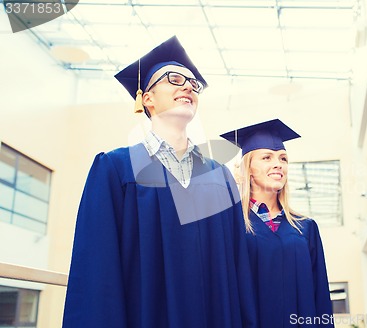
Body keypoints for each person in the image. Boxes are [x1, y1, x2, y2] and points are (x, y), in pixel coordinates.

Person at [62, 36, 256, 328]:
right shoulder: (116, 168)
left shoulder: (219, 176)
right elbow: (96, 267)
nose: (188, 86)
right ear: (147, 98)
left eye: (194, 84)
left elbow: (238, 268)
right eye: (175, 79)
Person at [221, 119, 334, 328]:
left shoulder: (305, 228)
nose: (278, 164)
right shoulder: (232, 224)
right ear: (249, 168)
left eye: (283, 159)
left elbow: (321, 298)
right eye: (266, 157)